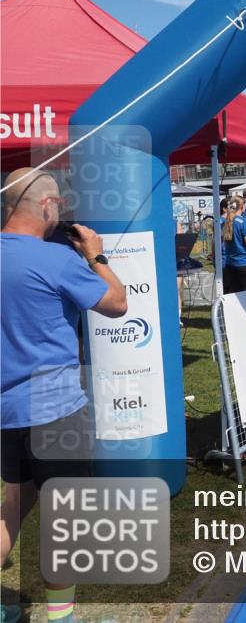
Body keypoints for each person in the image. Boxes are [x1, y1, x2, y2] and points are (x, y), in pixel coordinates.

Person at [1, 168, 128, 623]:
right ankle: (61, 617)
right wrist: (96, 256)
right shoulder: (58, 261)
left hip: (8, 412)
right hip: (55, 411)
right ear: (48, 206)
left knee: (14, 503)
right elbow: (117, 303)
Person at [222, 196, 246, 294]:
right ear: (242, 206)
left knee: (233, 294)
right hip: (243, 263)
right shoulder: (243, 221)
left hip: (230, 263)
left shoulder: (227, 221)